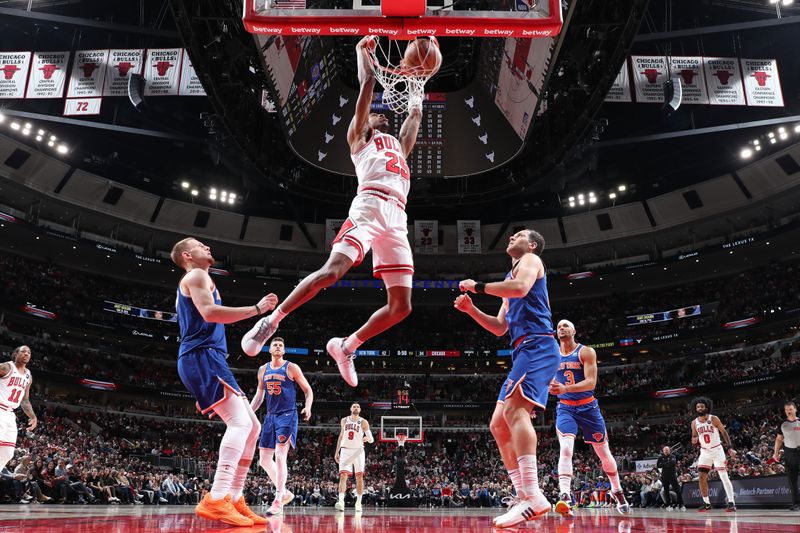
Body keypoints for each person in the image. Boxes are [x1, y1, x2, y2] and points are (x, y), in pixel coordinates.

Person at [241, 35, 431, 388]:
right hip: (370, 206)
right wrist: (364, 53)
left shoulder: (399, 147)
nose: (380, 113)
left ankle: (346, 346)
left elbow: (415, 115)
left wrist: (419, 83)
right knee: (332, 272)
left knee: (402, 306)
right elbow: (369, 83)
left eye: (381, 112)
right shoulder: (360, 136)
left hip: (397, 217)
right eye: (376, 112)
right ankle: (274, 320)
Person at [454, 229, 560, 528]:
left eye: (518, 235)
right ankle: (523, 495)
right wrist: (472, 309)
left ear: (533, 244)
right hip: (522, 350)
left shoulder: (530, 260)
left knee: (515, 412)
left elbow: (521, 288)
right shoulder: (509, 277)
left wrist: (478, 286)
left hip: (538, 345)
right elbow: (500, 327)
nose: (511, 238)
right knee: (498, 425)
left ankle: (534, 496)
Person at [171, 237, 277, 527]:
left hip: (210, 359)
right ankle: (217, 498)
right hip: (201, 356)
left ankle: (233, 495)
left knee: (253, 426)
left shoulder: (202, 278)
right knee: (240, 424)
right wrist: (256, 309)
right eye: (200, 245)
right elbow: (209, 313)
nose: (207, 248)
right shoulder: (196, 275)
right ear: (187, 255)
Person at [549, 319, 630, 516]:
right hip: (566, 408)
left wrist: (565, 388)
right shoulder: (551, 354)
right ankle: (565, 495)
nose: (561, 328)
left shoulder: (586, 352)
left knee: (604, 454)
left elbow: (591, 382)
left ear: (574, 330)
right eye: (559, 326)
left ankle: (617, 490)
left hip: (588, 407)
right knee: (566, 449)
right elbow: (546, 380)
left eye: (566, 325)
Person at [251, 337, 313, 516]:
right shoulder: (263, 369)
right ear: (270, 350)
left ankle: (278, 499)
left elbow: (308, 390)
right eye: (274, 345)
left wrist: (307, 406)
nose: (278, 347)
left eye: (281, 345)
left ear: (284, 351)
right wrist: (249, 411)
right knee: (263, 460)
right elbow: (259, 394)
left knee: (279, 456)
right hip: (270, 416)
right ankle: (285, 492)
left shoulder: (291, 367)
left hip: (287, 415)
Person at [690, 396, 736, 512]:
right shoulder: (694, 423)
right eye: (698, 407)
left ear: (706, 407)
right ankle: (707, 503)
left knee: (723, 476)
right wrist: (694, 439)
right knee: (701, 477)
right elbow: (694, 435)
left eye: (702, 406)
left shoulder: (714, 418)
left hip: (717, 450)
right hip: (704, 452)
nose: (700, 408)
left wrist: (729, 447)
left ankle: (731, 503)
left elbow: (724, 432)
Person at [0, 345, 37, 473]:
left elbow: (25, 400)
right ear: (16, 354)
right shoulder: (6, 367)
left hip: (10, 414)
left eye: (29, 352)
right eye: (23, 351)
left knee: (8, 453)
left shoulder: (28, 375)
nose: (27, 354)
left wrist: (33, 416)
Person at [334, 402, 374, 512]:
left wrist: (367, 439)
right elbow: (341, 436)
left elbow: (371, 439)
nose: (356, 408)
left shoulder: (363, 422)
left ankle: (358, 503)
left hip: (358, 451)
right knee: (343, 476)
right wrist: (337, 451)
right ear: (351, 409)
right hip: (345, 450)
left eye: (358, 406)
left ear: (360, 410)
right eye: (354, 406)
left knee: (359, 477)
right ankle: (341, 502)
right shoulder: (344, 420)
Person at [773, 400, 799, 511]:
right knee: (792, 479)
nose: (788, 411)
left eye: (790, 409)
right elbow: (779, 439)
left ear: (795, 409)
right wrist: (775, 453)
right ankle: (796, 503)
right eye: (786, 410)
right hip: (789, 453)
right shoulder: (782, 424)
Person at [657, 446, 685, 510]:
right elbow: (658, 465)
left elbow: (672, 463)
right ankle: (668, 505)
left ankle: (681, 505)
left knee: (677, 490)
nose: (666, 451)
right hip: (664, 476)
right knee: (666, 491)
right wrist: (667, 464)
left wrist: (663, 464)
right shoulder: (660, 457)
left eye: (667, 450)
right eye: (665, 450)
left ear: (669, 450)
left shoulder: (673, 456)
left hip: (672, 475)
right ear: (663, 451)